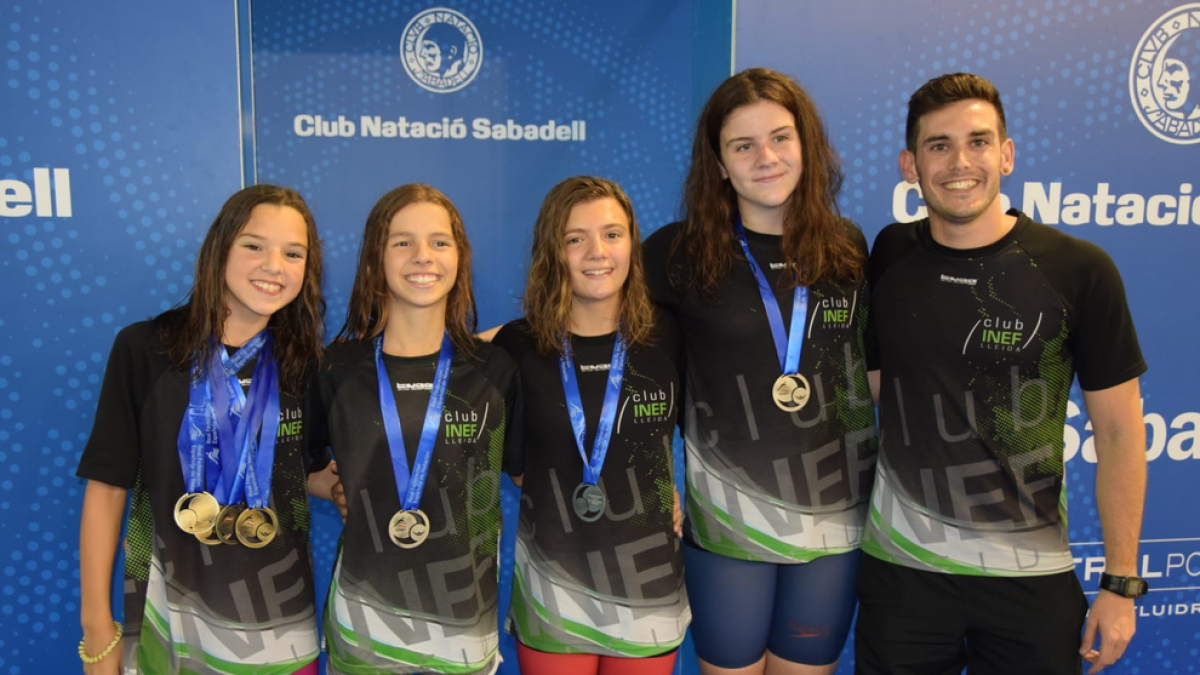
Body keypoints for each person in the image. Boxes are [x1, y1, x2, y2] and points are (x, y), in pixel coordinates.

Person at [857, 72, 1148, 675]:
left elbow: (1120, 434)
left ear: (1007, 155)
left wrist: (1120, 583)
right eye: (938, 145)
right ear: (909, 165)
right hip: (903, 576)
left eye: (978, 141)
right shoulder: (889, 254)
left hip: (1031, 579)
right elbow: (873, 391)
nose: (959, 162)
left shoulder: (1079, 270)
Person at [643, 68, 876, 675]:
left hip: (832, 523)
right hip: (728, 526)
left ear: (807, 146)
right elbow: (616, 362)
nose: (765, 158)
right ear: (718, 164)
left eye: (780, 138)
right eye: (742, 146)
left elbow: (875, 372)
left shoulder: (848, 249)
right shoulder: (678, 253)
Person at [76, 184, 339, 674]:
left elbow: (300, 473)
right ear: (220, 247)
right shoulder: (146, 349)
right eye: (254, 245)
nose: (274, 266)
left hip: (282, 633)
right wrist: (98, 629)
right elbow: (108, 487)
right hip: (170, 627)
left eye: (293, 253)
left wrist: (344, 488)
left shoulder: (305, 364)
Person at [482, 176, 689, 675]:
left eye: (613, 234)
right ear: (552, 251)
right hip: (555, 581)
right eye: (575, 238)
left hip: (649, 581)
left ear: (632, 245)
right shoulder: (517, 345)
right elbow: (435, 358)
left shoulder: (669, 335)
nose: (597, 252)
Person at [315, 184, 522, 675]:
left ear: (459, 258)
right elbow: (298, 467)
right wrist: (335, 485)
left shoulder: (495, 370)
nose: (422, 256)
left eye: (439, 242)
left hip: (464, 626)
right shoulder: (335, 369)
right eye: (402, 242)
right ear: (375, 259)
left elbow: (526, 473)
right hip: (364, 621)